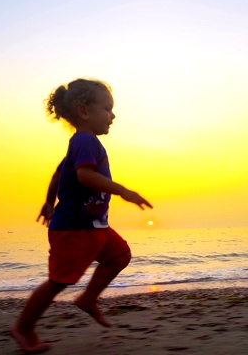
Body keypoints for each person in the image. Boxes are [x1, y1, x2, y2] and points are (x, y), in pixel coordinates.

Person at [11, 79, 153, 353]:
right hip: (74, 227)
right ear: (84, 111)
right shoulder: (85, 141)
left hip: (94, 225)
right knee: (59, 281)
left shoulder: (80, 143)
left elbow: (58, 174)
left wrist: (48, 202)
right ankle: (23, 327)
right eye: (107, 108)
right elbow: (83, 175)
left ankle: (88, 299)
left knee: (119, 256)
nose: (113, 115)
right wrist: (124, 191)